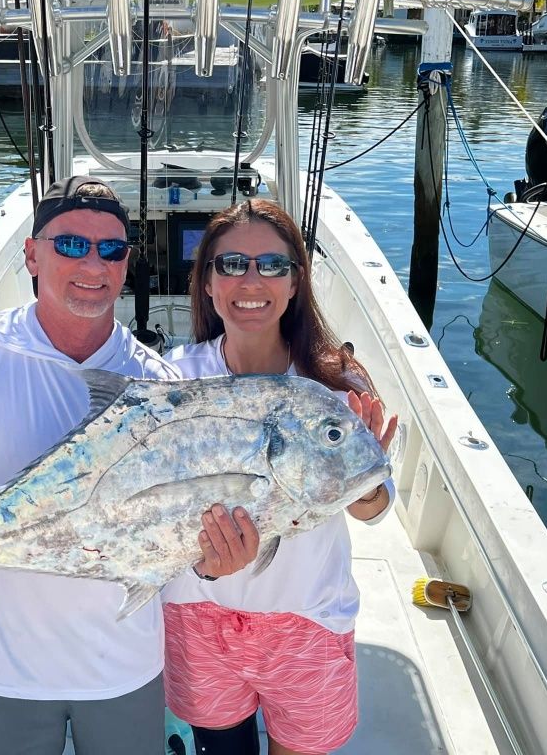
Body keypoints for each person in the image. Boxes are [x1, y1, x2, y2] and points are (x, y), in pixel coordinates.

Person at [0, 175, 259, 755]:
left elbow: (172, 538)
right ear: (32, 254)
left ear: (126, 264)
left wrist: (213, 563)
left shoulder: (157, 386)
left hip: (124, 666)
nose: (93, 262)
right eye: (70, 245)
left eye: (110, 249)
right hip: (2, 666)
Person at [161, 199, 399, 755]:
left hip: (307, 621)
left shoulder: (335, 380)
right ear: (207, 283)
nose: (252, 280)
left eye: (272, 265)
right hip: (200, 614)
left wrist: (360, 489)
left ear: (295, 282)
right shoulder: (173, 379)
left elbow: (379, 502)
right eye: (231, 264)